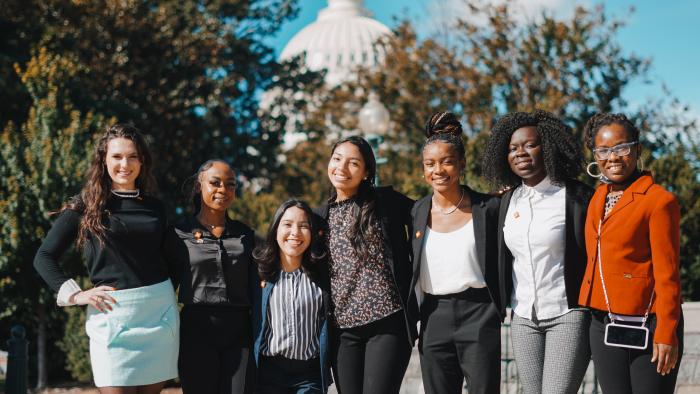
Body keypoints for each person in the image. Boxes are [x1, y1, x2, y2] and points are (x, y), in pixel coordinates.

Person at [33, 124, 178, 393]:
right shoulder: (86, 205)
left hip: (158, 315)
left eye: (133, 156)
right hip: (111, 315)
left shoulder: (156, 208)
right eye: (117, 156)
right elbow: (44, 256)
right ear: (103, 160)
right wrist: (76, 295)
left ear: (142, 161)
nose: (125, 164)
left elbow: (173, 259)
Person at [483, 110, 593, 394]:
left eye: (529, 144)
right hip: (523, 317)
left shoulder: (577, 197)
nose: (520, 152)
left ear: (548, 147)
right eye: (512, 148)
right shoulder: (508, 201)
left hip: (567, 313)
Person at [578, 113, 683, 393]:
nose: (612, 157)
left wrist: (666, 332)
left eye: (621, 148)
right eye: (603, 150)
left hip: (650, 325)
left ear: (637, 150)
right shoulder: (597, 198)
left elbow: (668, 273)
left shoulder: (660, 201)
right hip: (603, 323)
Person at [316, 136, 416, 394]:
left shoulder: (385, 202)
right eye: (337, 159)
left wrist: (488, 202)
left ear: (366, 172)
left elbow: (431, 211)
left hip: (387, 324)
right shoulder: (318, 218)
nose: (341, 168)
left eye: (353, 163)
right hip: (343, 332)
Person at [411, 112, 502, 394]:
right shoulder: (415, 212)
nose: (438, 170)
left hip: (480, 313)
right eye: (430, 164)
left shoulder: (489, 208)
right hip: (433, 316)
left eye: (447, 161)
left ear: (461, 163)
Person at [167, 159, 257, 394]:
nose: (223, 190)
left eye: (230, 185)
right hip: (196, 330)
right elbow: (164, 283)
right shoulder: (179, 233)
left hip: (240, 332)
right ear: (199, 186)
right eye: (215, 183)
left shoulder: (245, 234)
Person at [252, 199, 332, 394]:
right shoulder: (259, 274)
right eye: (287, 224)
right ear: (276, 229)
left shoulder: (323, 276)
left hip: (309, 374)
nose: (295, 233)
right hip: (267, 374)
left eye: (303, 226)